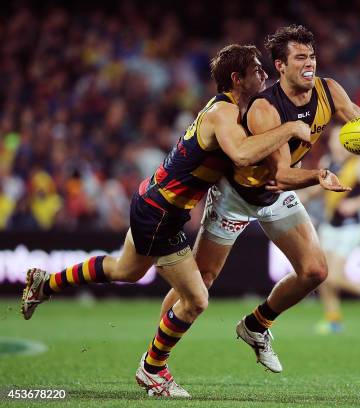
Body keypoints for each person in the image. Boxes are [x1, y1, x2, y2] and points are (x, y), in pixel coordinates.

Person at [20, 44, 313, 398]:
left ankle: (45, 284)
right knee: (196, 299)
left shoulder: (229, 110)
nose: (263, 74)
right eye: (256, 69)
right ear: (237, 79)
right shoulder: (223, 114)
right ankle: (153, 369)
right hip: (162, 212)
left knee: (124, 270)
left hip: (154, 202)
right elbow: (240, 153)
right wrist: (289, 129)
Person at [160, 25, 360, 372]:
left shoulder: (329, 91)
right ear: (280, 66)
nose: (309, 63)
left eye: (312, 56)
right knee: (201, 280)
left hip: (276, 197)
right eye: (300, 57)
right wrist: (318, 176)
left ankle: (256, 326)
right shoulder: (265, 109)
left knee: (315, 271)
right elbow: (281, 174)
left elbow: (359, 121)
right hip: (238, 196)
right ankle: (157, 351)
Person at [301, 124, 360, 334]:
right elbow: (318, 191)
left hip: (351, 227)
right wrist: (304, 196)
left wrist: (355, 204)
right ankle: (333, 319)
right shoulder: (327, 162)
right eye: (334, 140)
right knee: (322, 275)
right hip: (329, 225)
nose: (336, 144)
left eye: (341, 140)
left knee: (334, 277)